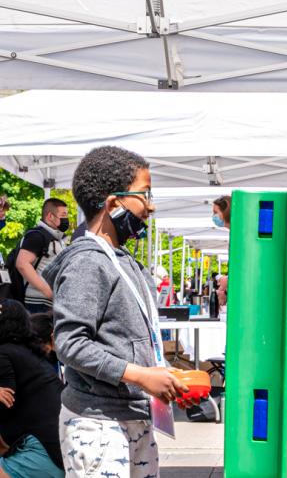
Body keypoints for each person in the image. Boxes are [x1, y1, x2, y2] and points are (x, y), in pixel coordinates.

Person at [43, 146, 191, 478]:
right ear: (114, 204)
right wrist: (141, 376)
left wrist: (165, 380)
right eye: (144, 194)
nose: (150, 206)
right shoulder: (87, 262)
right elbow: (71, 344)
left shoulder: (124, 262)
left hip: (133, 417)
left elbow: (131, 340)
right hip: (98, 426)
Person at [0, 299, 64, 478]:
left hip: (44, 453)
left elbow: (5, 404)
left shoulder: (4, 354)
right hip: (63, 448)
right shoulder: (31, 355)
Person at [15, 198, 69, 314]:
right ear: (50, 216)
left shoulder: (58, 238)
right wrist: (48, 291)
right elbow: (22, 264)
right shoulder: (37, 235)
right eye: (63, 215)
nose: (66, 219)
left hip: (49, 303)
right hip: (37, 303)